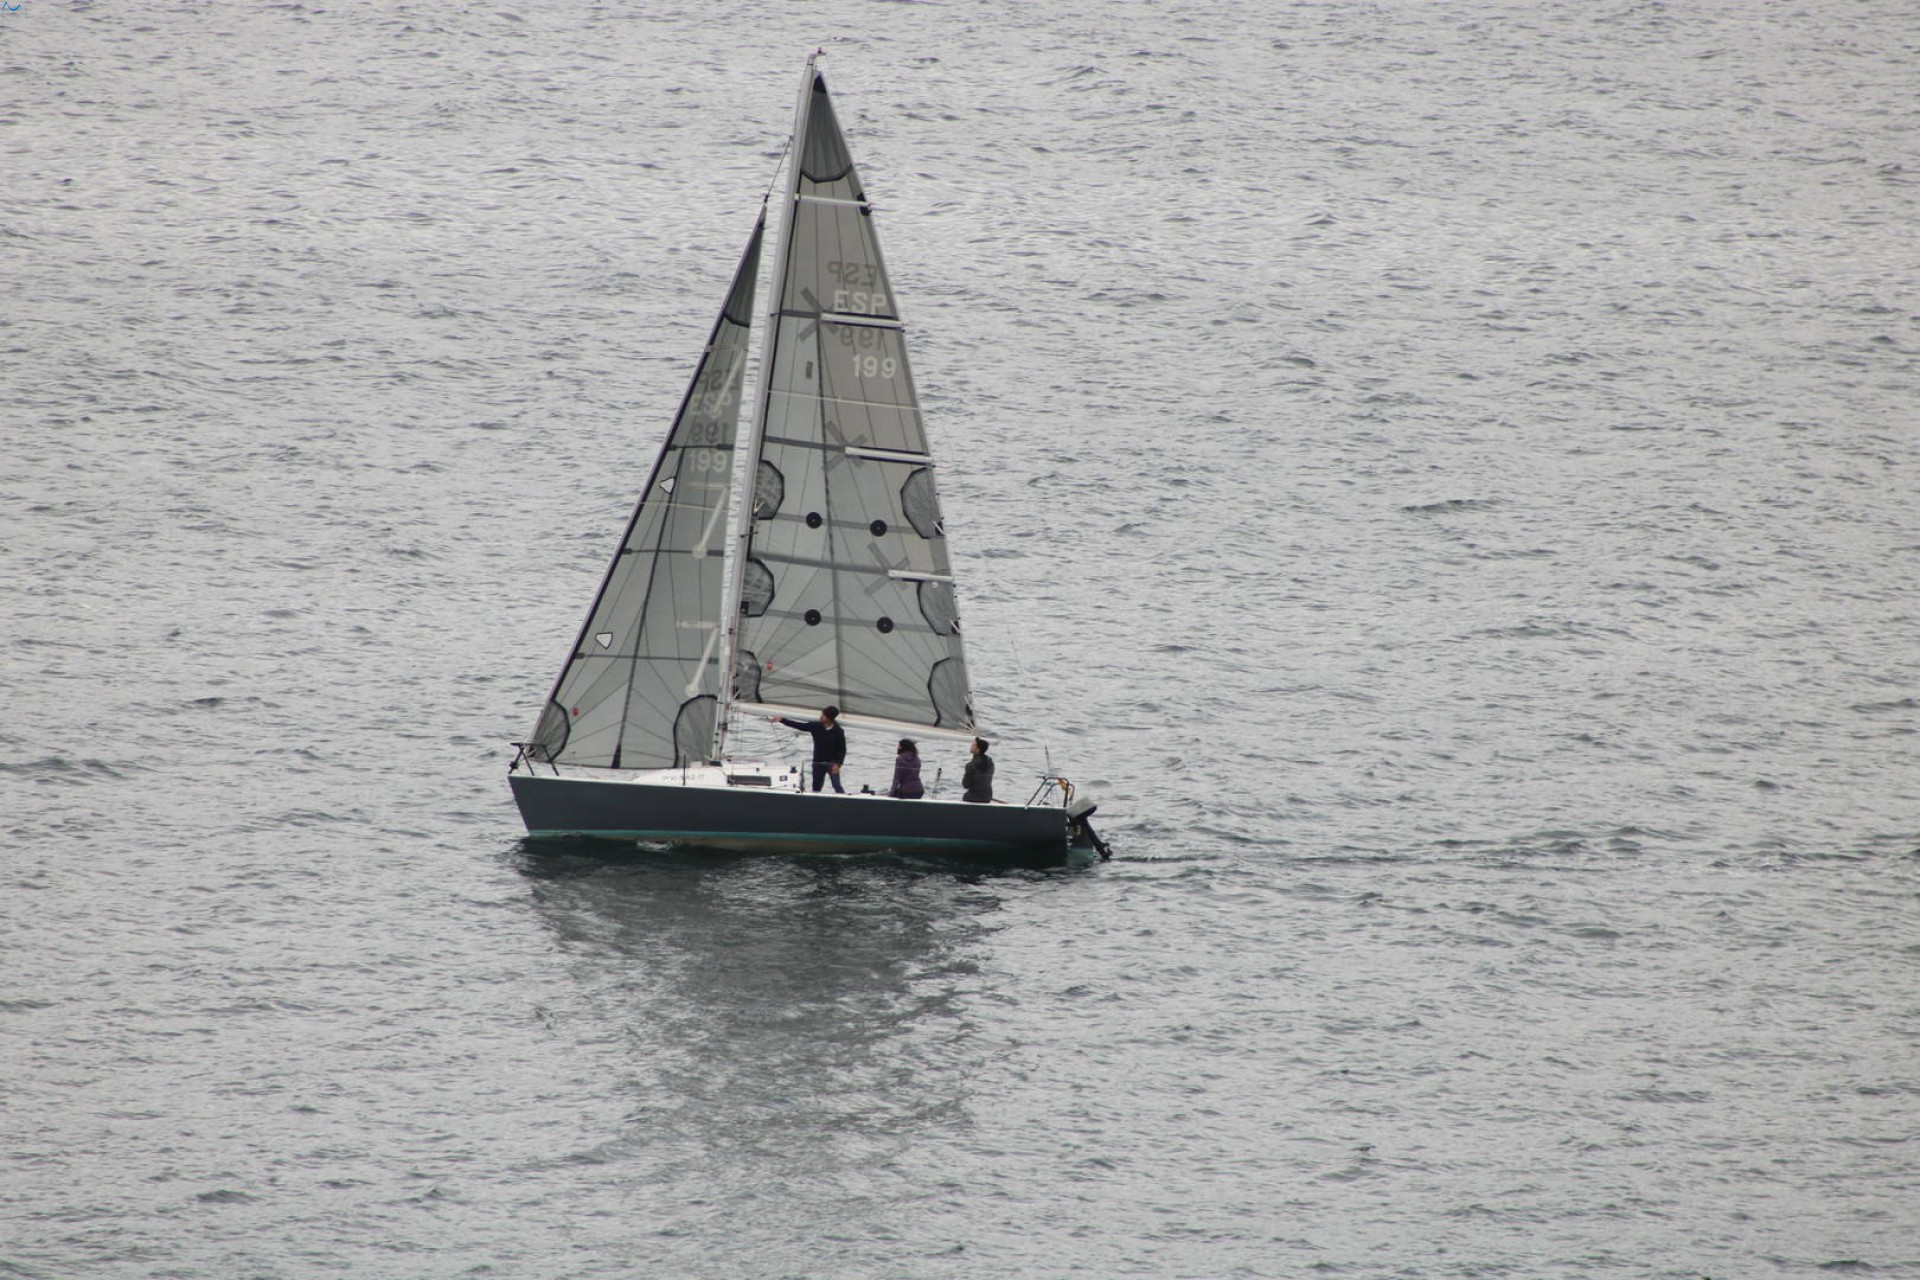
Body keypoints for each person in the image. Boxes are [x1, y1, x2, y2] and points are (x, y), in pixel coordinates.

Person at [772, 706, 846, 793]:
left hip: (832, 763)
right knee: (816, 788)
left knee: (837, 785)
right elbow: (799, 725)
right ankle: (815, 803)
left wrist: (838, 764)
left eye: (824, 715)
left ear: (830, 718)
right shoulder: (816, 726)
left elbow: (842, 749)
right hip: (818, 763)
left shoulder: (838, 731)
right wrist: (782, 720)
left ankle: (846, 802)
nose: (821, 717)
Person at [961, 736, 994, 803]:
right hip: (987, 797)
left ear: (978, 750)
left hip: (973, 798)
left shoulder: (970, 765)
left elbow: (965, 785)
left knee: (965, 796)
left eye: (973, 745)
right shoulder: (991, 763)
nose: (971, 746)